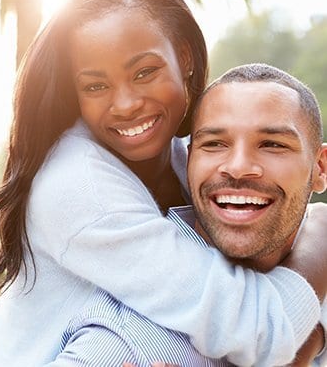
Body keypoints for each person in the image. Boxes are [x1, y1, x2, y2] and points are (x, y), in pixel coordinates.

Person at [0, 0, 327, 366]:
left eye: (145, 72)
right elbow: (256, 329)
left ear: (184, 57)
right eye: (95, 86)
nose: (126, 104)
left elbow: (270, 285)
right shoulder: (79, 186)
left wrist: (312, 336)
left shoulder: (185, 155)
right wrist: (321, 235)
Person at [47, 63, 327, 367]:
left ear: (320, 169)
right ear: (189, 157)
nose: (237, 166)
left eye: (272, 144)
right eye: (215, 144)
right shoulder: (128, 338)